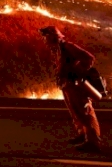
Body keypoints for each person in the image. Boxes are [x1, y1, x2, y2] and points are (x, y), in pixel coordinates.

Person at [39, 25, 102, 153]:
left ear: (53, 36)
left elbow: (89, 58)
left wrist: (77, 71)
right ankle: (82, 135)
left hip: (75, 84)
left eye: (46, 36)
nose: (44, 40)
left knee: (85, 112)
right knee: (75, 112)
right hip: (67, 84)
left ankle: (93, 142)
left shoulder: (68, 46)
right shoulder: (58, 49)